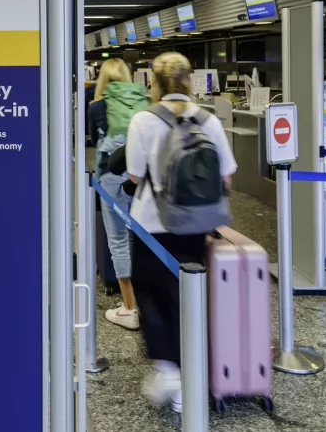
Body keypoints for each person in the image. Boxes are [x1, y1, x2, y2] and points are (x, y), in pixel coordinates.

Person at [125, 52, 237, 412]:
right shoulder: (208, 119)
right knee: (187, 295)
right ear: (190, 80)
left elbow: (134, 176)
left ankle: (168, 371)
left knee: (152, 294)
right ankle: (192, 373)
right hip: (195, 224)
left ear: (153, 83)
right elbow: (226, 177)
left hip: (151, 224)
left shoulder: (143, 119)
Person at [87, 58, 147, 330]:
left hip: (110, 176)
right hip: (142, 176)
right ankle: (148, 303)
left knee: (118, 239)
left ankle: (129, 307)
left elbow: (94, 139)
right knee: (142, 237)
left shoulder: (97, 105)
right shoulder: (144, 103)